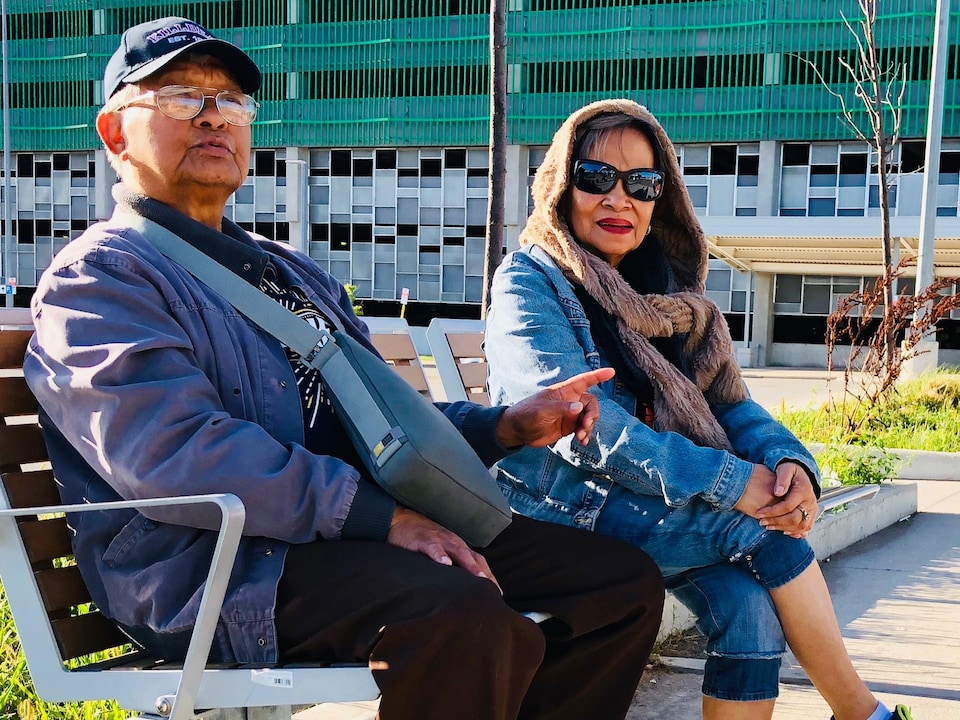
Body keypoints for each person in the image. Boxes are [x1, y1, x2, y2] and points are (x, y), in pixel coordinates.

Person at [23, 23, 666, 720]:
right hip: (216, 571)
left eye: (232, 101)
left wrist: (505, 428)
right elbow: (173, 454)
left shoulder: (289, 273)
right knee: (460, 614)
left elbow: (384, 421)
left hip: (337, 538)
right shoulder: (101, 280)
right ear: (115, 133)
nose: (214, 116)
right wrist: (380, 518)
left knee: (618, 583)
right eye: (181, 99)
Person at [484, 99, 914, 720]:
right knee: (756, 530)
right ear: (560, 184)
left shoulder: (667, 298)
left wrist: (784, 460)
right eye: (596, 177)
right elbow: (581, 426)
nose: (618, 198)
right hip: (554, 509)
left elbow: (728, 405)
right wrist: (735, 483)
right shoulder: (529, 282)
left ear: (663, 198)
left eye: (642, 182)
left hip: (642, 503)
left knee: (748, 608)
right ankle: (862, 714)